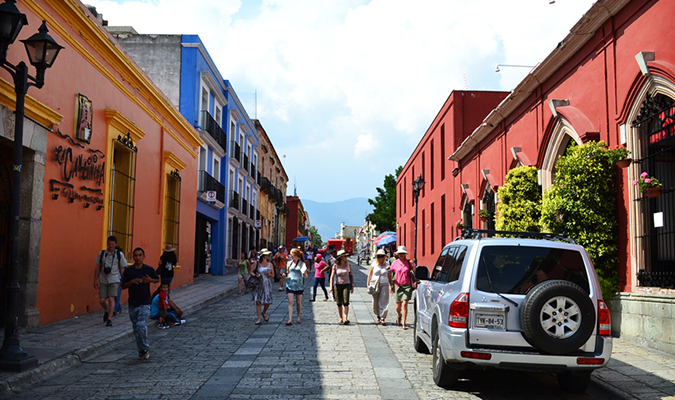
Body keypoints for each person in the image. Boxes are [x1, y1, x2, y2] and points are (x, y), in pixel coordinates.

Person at [121, 247, 159, 359]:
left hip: (145, 302)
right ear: (133, 257)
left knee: (140, 325)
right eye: (136, 255)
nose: (138, 257)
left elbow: (157, 279)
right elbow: (123, 286)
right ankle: (141, 350)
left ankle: (145, 348)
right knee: (136, 328)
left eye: (140, 255)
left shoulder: (149, 269)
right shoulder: (129, 271)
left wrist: (150, 281)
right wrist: (132, 282)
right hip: (133, 303)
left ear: (143, 256)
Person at [94, 236, 127, 327]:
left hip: (114, 279)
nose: (111, 246)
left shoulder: (119, 255)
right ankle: (107, 309)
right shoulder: (102, 254)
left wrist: (122, 280)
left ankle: (109, 319)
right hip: (104, 279)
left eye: (112, 244)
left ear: (115, 244)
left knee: (111, 298)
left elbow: (122, 268)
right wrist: (95, 280)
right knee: (102, 300)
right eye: (109, 244)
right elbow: (97, 267)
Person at [390, 246, 415, 330]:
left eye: (403, 253)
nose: (401, 255)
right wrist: (391, 285)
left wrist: (414, 266)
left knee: (405, 304)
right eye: (400, 253)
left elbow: (414, 272)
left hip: (407, 286)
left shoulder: (408, 263)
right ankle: (399, 315)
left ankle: (404, 322)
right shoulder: (395, 263)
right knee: (398, 307)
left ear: (405, 254)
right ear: (398, 254)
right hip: (398, 286)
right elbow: (389, 272)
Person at [367, 248, 394, 325]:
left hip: (384, 284)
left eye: (382, 256)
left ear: (384, 257)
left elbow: (389, 276)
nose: (380, 258)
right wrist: (368, 284)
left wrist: (391, 285)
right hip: (374, 284)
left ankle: (382, 317)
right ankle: (377, 315)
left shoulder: (387, 265)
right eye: (379, 256)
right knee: (375, 302)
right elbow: (370, 274)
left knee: (384, 301)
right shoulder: (373, 264)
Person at [284, 248, 309, 325]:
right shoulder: (289, 263)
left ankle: (298, 316)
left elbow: (306, 276)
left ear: (297, 255)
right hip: (290, 284)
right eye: (290, 254)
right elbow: (288, 274)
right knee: (290, 302)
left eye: (292, 254)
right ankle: (290, 319)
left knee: (298, 302)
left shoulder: (302, 264)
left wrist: (304, 273)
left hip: (299, 285)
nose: (290, 256)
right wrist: (284, 276)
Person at [328, 249, 354, 325]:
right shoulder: (335, 266)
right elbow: (332, 277)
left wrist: (352, 285)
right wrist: (331, 287)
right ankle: (341, 317)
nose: (346, 257)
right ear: (341, 257)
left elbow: (351, 275)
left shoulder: (349, 265)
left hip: (346, 284)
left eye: (346, 256)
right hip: (338, 285)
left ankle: (346, 318)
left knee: (346, 301)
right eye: (344, 256)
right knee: (339, 302)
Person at [251, 248, 274, 325]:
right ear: (262, 255)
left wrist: (269, 274)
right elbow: (250, 272)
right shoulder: (257, 264)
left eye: (268, 255)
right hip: (258, 284)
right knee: (258, 301)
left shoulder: (270, 264)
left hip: (267, 284)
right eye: (266, 255)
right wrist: (255, 275)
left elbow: (273, 275)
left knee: (268, 302)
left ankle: (264, 312)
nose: (267, 256)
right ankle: (259, 319)